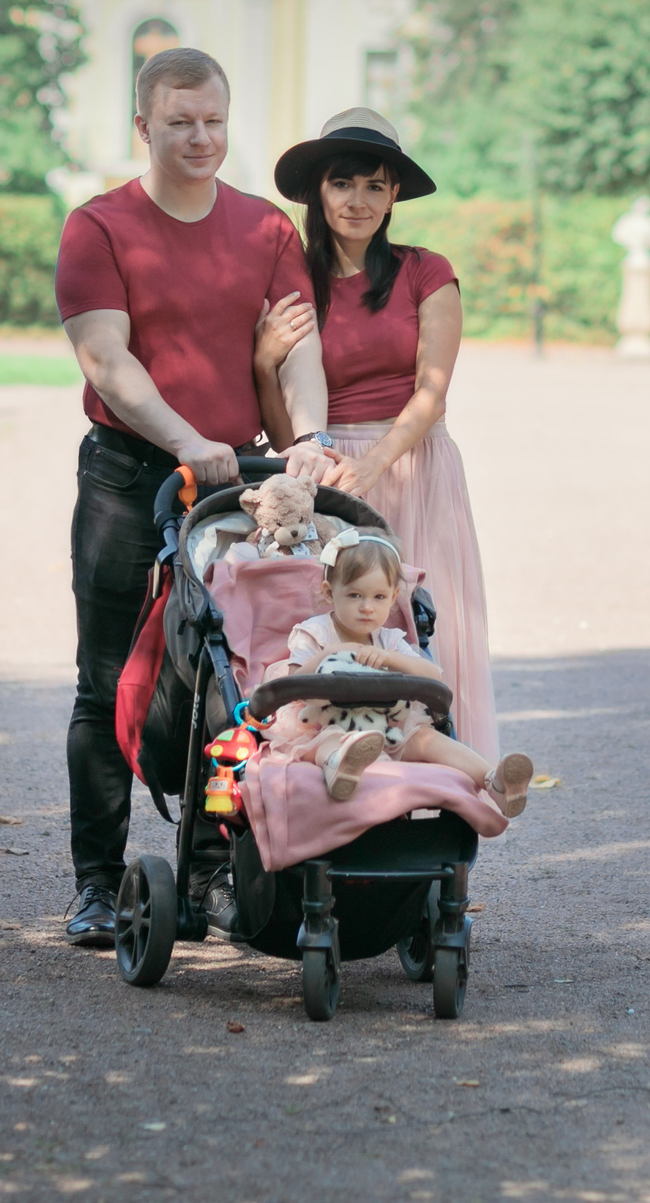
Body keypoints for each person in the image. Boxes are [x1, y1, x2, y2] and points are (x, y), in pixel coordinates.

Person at [53, 48, 338, 946]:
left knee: (232, 682)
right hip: (128, 473)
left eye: (214, 119)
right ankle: (97, 885)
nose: (202, 136)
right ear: (144, 126)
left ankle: (213, 875)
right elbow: (107, 357)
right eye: (181, 121)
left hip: (237, 491)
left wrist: (308, 440)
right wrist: (185, 439)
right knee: (103, 683)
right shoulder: (98, 227)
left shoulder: (265, 231)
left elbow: (299, 350)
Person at [254, 108, 499, 759]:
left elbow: (433, 392)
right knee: (332, 632)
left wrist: (376, 464)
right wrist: (262, 360)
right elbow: (282, 429)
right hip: (325, 475)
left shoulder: (426, 271)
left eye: (375, 185)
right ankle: (340, 779)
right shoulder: (291, 281)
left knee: (420, 630)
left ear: (394, 195)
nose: (358, 200)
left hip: (412, 466)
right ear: (318, 191)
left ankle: (438, 783)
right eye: (342, 183)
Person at [266, 529, 532, 815]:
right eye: (355, 595)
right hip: (324, 725)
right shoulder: (316, 632)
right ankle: (340, 768)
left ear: (393, 598)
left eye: (378, 597)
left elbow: (433, 677)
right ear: (330, 593)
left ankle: (494, 782)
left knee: (425, 738)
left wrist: (390, 658)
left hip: (385, 729)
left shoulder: (389, 640)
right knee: (330, 739)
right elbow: (293, 683)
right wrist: (327, 654)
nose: (367, 607)